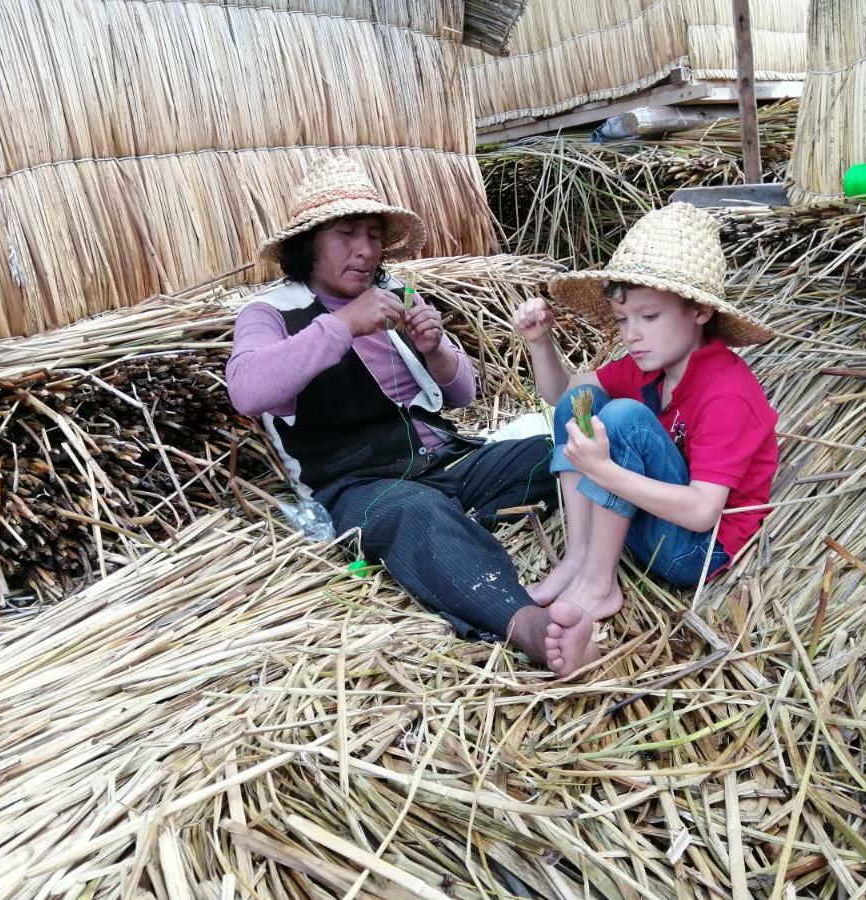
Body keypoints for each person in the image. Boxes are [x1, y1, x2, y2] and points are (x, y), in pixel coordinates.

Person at [227, 155, 597, 675]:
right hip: (359, 487)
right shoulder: (271, 313)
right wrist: (342, 325)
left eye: (374, 235)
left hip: (444, 463)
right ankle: (528, 627)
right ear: (308, 244)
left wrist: (436, 350)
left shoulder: (396, 295)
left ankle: (470, 533)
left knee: (555, 453)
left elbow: (462, 394)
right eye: (346, 234)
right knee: (415, 513)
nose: (365, 250)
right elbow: (247, 390)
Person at [511, 203, 779, 671]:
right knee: (586, 405)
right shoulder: (646, 367)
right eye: (622, 320)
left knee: (624, 417)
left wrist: (606, 472)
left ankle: (599, 584)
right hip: (646, 520)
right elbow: (561, 397)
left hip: (693, 550)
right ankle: (579, 557)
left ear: (698, 310)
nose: (632, 335)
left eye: (649, 317)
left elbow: (701, 512)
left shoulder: (726, 391)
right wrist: (539, 343)